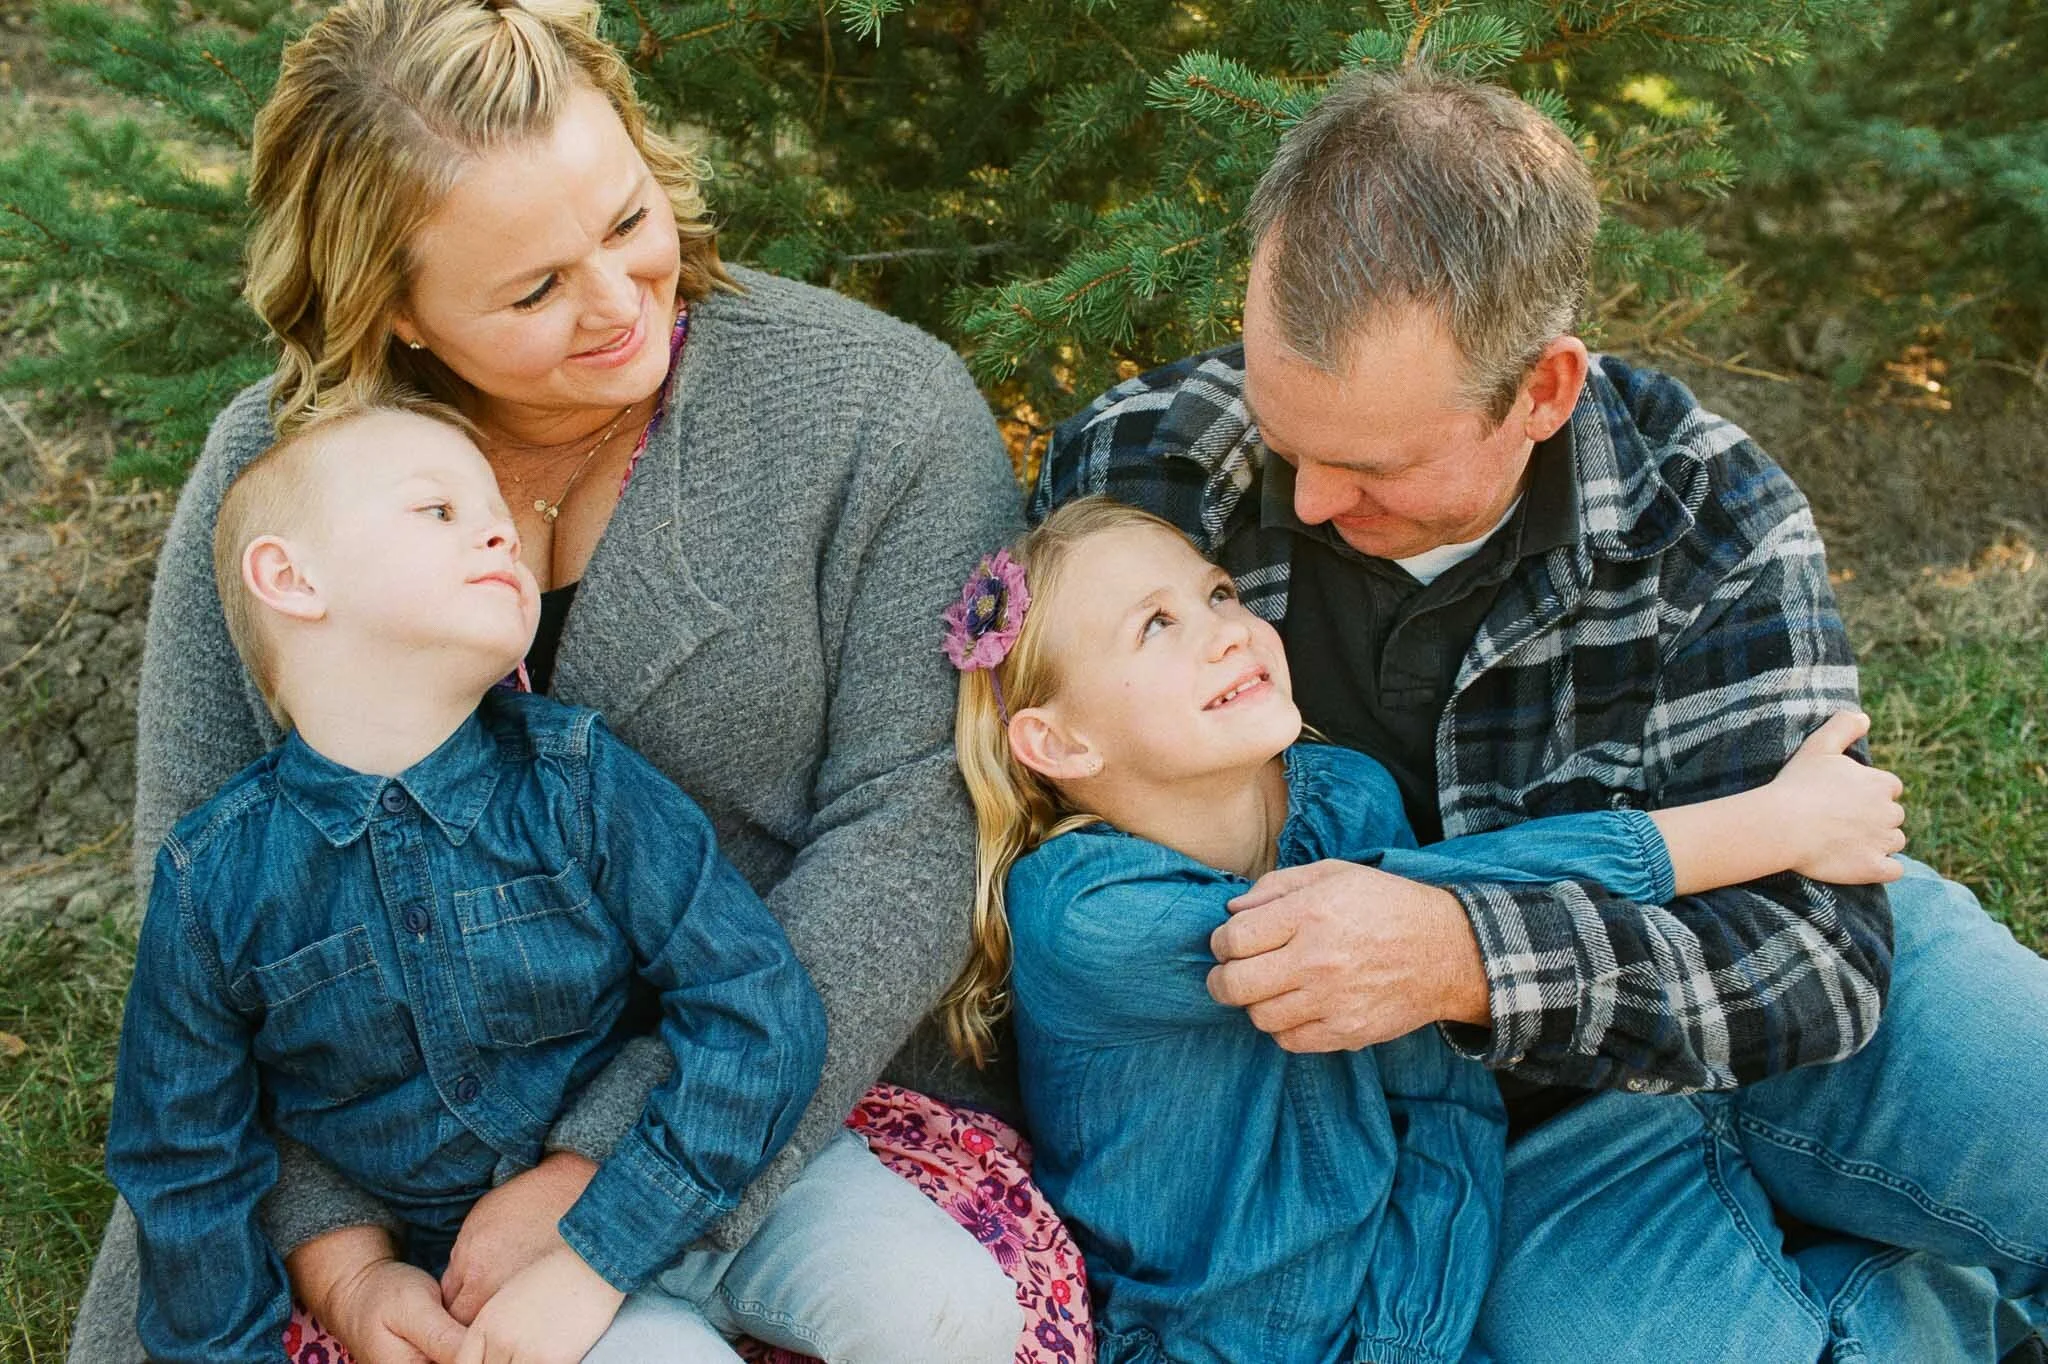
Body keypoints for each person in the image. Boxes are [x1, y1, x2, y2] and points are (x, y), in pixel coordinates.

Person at [70, 2, 1046, 1362]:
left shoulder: (879, 418)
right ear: (393, 311)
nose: (617, 302)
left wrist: (605, 1178)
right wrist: (339, 1257)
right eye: (531, 291)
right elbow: (202, 906)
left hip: (771, 1092)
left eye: (629, 221)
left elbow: (914, 830)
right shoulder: (273, 479)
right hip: (366, 1157)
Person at [1034, 63, 2048, 1362]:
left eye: (1377, 465)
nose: (1305, 504)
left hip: (1756, 989)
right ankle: (1931, 1315)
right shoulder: (1143, 471)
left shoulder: (1704, 507)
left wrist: (1457, 954)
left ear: (1544, 390)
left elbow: (1816, 958)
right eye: (1295, 439)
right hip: (1505, 1142)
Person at [936, 497, 1909, 1364]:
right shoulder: (1082, 911)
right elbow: (1364, 909)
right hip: (1199, 1336)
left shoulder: (1347, 794)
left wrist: (1408, 1330)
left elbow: (1436, 1091)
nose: (1226, 630)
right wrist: (1763, 826)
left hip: (1406, 1306)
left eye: (1220, 592)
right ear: (1058, 742)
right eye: (1156, 623)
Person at [111, 406, 834, 1363]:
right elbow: (183, 1154)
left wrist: (606, 1241)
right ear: (292, 577)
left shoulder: (576, 777)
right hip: (484, 1287)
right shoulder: (216, 882)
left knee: (943, 1309)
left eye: (497, 511)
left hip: (711, 1166)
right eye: (439, 511)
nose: (501, 530)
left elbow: (756, 1000)